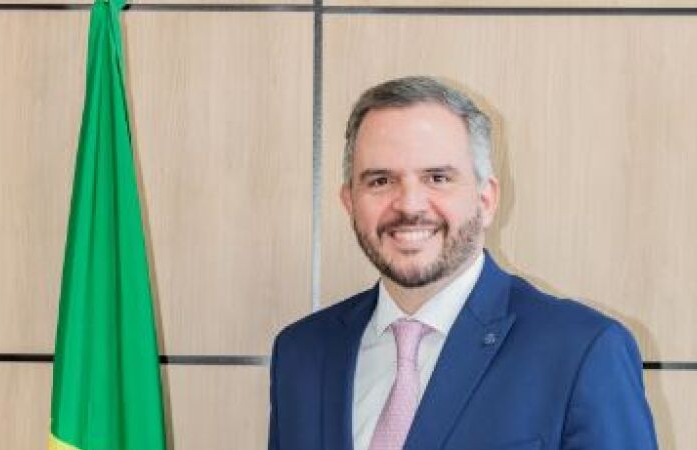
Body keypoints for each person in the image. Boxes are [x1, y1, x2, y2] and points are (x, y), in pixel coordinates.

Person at [269, 76, 658, 450]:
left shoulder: (583, 350)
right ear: (350, 202)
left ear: (486, 200)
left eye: (437, 178)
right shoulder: (301, 354)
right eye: (380, 181)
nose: (409, 205)